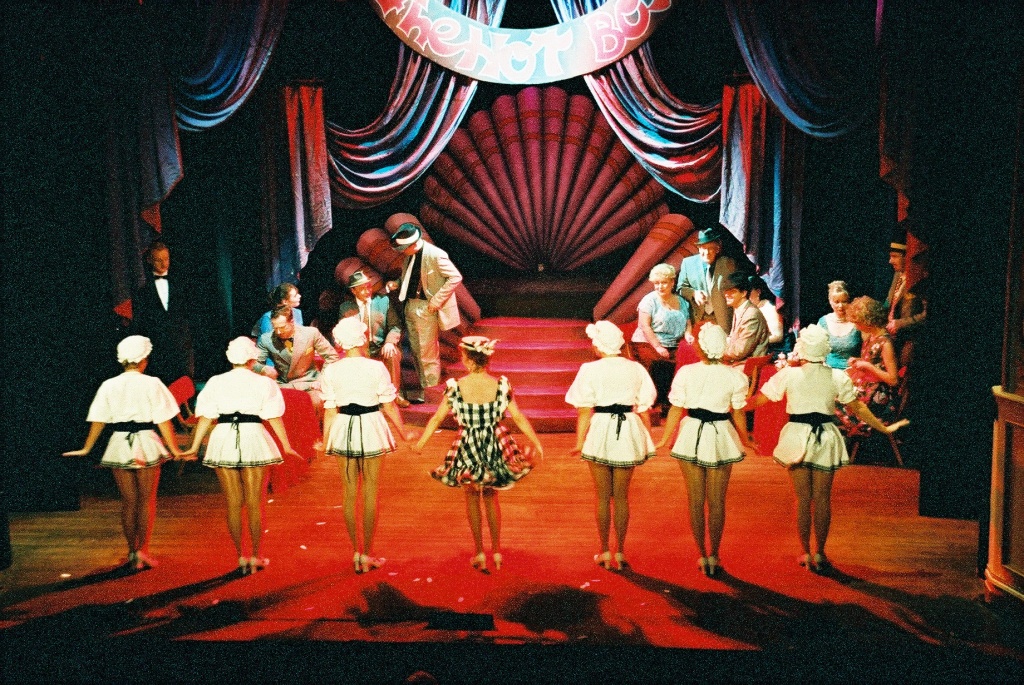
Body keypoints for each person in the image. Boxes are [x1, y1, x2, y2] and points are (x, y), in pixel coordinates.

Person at [746, 324, 905, 571]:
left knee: (803, 499)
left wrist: (731, 405)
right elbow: (859, 408)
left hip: (797, 435)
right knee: (821, 499)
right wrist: (883, 428)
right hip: (825, 437)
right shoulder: (837, 376)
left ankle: (806, 552)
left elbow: (758, 400)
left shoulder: (788, 374)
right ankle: (819, 552)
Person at [416, 336, 542, 572]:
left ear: (467, 359)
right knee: (491, 496)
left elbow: (437, 418)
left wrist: (421, 443)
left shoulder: (455, 387)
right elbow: (518, 416)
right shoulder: (501, 385)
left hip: (468, 444)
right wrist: (536, 441)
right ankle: (496, 551)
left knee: (472, 496)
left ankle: (480, 552)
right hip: (495, 442)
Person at [182, 337, 301, 574]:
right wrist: (286, 445)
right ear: (252, 359)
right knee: (255, 502)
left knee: (233, 503)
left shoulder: (216, 382)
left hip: (224, 438)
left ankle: (241, 556)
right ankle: (256, 556)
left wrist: (194, 446)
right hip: (253, 436)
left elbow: (206, 416)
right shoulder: (264, 383)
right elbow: (273, 416)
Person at [63, 335, 182, 570]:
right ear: (144, 359)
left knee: (128, 502)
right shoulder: (152, 383)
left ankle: (131, 551)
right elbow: (163, 420)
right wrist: (175, 449)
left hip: (119, 442)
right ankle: (143, 551)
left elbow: (98, 419)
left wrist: (87, 447)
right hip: (146, 441)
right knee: (146, 501)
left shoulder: (109, 385)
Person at [655, 324, 753, 577]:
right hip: (721, 434)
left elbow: (676, 408)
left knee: (696, 499)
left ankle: (702, 554)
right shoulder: (735, 376)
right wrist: (746, 439)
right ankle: (714, 555)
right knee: (717, 501)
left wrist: (664, 439)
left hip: (692, 433)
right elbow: (738, 412)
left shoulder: (686, 373)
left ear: (700, 346)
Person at [321, 318, 413, 574]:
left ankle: (357, 551)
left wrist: (326, 441)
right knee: (371, 491)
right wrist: (403, 434)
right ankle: (367, 553)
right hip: (371, 425)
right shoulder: (376, 368)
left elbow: (330, 409)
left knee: (350, 492)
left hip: (344, 427)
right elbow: (389, 405)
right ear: (361, 339)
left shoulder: (332, 370)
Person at [565, 320, 657, 571]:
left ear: (598, 345)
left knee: (603, 497)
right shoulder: (635, 368)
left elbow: (584, 410)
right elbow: (644, 408)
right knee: (622, 497)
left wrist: (579, 442)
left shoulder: (589, 369)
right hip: (627, 429)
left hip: (601, 430)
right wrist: (647, 439)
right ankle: (620, 551)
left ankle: (605, 549)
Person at [387, 213, 463, 403]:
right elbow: (410, 278)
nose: (402, 252)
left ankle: (431, 394)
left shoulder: (435, 255)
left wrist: (436, 301)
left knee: (427, 354)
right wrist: (397, 284)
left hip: (425, 307)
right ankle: (425, 391)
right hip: (410, 305)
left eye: (404, 248)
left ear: (413, 244)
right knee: (417, 352)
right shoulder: (409, 257)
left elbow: (455, 277)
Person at [338, 269, 409, 408]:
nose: (367, 291)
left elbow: (395, 326)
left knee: (392, 353)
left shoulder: (383, 301)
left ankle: (394, 395)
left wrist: (389, 342)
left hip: (380, 347)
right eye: (362, 289)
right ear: (353, 291)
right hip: (359, 351)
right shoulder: (346, 308)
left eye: (369, 287)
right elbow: (343, 331)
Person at [253, 304, 339, 414]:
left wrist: (321, 379)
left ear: (292, 321)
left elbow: (332, 357)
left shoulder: (311, 333)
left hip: (309, 383)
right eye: (275, 328)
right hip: (283, 384)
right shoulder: (266, 339)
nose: (278, 332)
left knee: (318, 402)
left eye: (282, 327)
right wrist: (263, 369)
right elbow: (254, 363)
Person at [631, 263, 692, 416]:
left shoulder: (682, 302)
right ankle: (658, 403)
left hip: (673, 345)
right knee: (660, 364)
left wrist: (688, 334)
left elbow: (688, 323)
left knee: (685, 362)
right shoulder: (649, 301)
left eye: (663, 282)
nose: (660, 286)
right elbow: (645, 326)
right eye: (656, 283)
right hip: (648, 343)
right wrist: (658, 346)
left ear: (672, 282)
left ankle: (673, 402)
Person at [130, 241, 194, 384]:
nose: (164, 264)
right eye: (158, 260)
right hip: (157, 352)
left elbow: (191, 315)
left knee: (183, 388)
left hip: (181, 349)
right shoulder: (143, 291)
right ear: (150, 260)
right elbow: (140, 323)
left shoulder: (181, 285)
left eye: (166, 259)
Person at [837, 296, 900, 437]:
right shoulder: (871, 337)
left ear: (868, 322)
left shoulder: (885, 343)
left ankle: (844, 441)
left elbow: (893, 379)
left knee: (838, 404)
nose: (856, 326)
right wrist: (859, 361)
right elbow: (874, 362)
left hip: (877, 397)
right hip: (866, 388)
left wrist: (867, 366)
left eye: (858, 323)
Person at [676, 226, 739, 334]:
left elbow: (738, 289)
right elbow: (680, 289)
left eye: (710, 248)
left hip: (722, 318)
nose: (706, 252)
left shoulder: (729, 264)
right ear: (698, 249)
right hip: (698, 318)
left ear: (717, 249)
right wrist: (694, 293)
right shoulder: (688, 263)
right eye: (703, 248)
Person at [884, 234, 926, 367]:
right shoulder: (897, 274)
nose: (890, 261)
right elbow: (890, 303)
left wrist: (900, 324)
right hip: (893, 339)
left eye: (894, 256)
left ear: (907, 257)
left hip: (911, 342)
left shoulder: (920, 279)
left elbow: (928, 314)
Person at [720, 272, 769, 364]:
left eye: (732, 291)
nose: (726, 294)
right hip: (736, 362)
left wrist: (715, 351)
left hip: (747, 366)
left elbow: (740, 351)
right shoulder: (739, 309)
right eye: (726, 291)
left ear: (743, 293)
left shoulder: (751, 315)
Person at [817, 281, 861, 370]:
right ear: (830, 302)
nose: (840, 306)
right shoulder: (823, 322)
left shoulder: (857, 322)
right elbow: (816, 350)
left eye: (844, 301)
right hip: (828, 370)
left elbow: (867, 351)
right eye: (836, 302)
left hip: (852, 372)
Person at [749, 276, 785, 350]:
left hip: (774, 350)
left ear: (758, 291)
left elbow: (778, 336)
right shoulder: (750, 308)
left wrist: (753, 342)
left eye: (749, 292)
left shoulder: (769, 308)